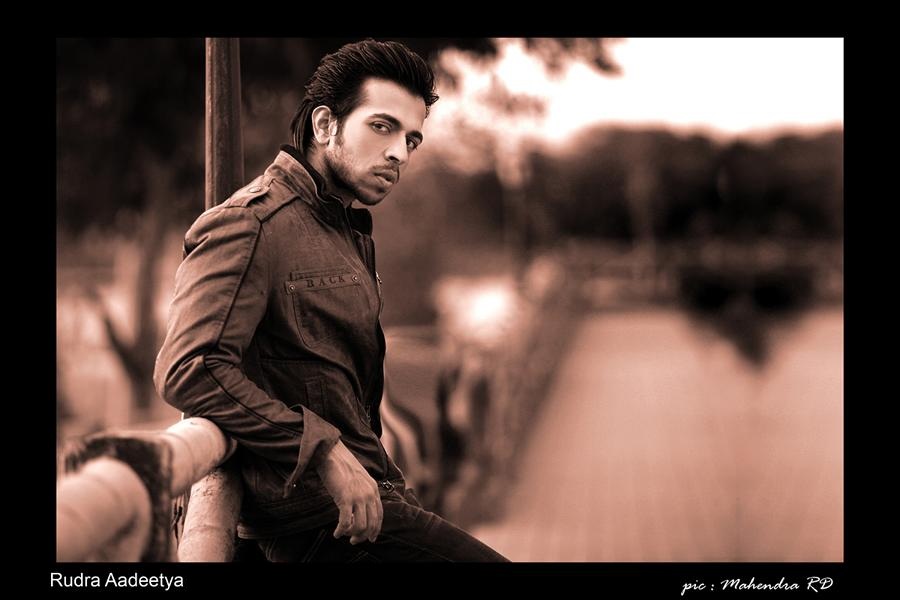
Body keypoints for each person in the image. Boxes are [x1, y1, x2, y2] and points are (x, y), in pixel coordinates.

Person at [153, 39, 509, 562]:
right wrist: (322, 449)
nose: (399, 153)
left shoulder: (344, 229)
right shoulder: (251, 224)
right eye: (382, 126)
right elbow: (190, 368)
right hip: (316, 521)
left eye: (411, 139)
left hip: (371, 499)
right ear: (325, 125)